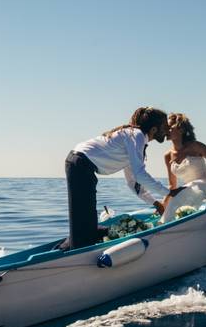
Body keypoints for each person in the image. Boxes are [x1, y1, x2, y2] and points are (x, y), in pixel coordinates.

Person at [62, 107, 170, 250]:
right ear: (154, 129)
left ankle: (78, 243)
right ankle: (72, 254)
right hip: (80, 163)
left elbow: (133, 183)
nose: (167, 130)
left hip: (82, 165)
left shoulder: (136, 140)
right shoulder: (136, 135)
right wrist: (169, 193)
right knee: (82, 224)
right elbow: (140, 174)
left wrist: (156, 203)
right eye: (165, 126)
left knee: (86, 221)